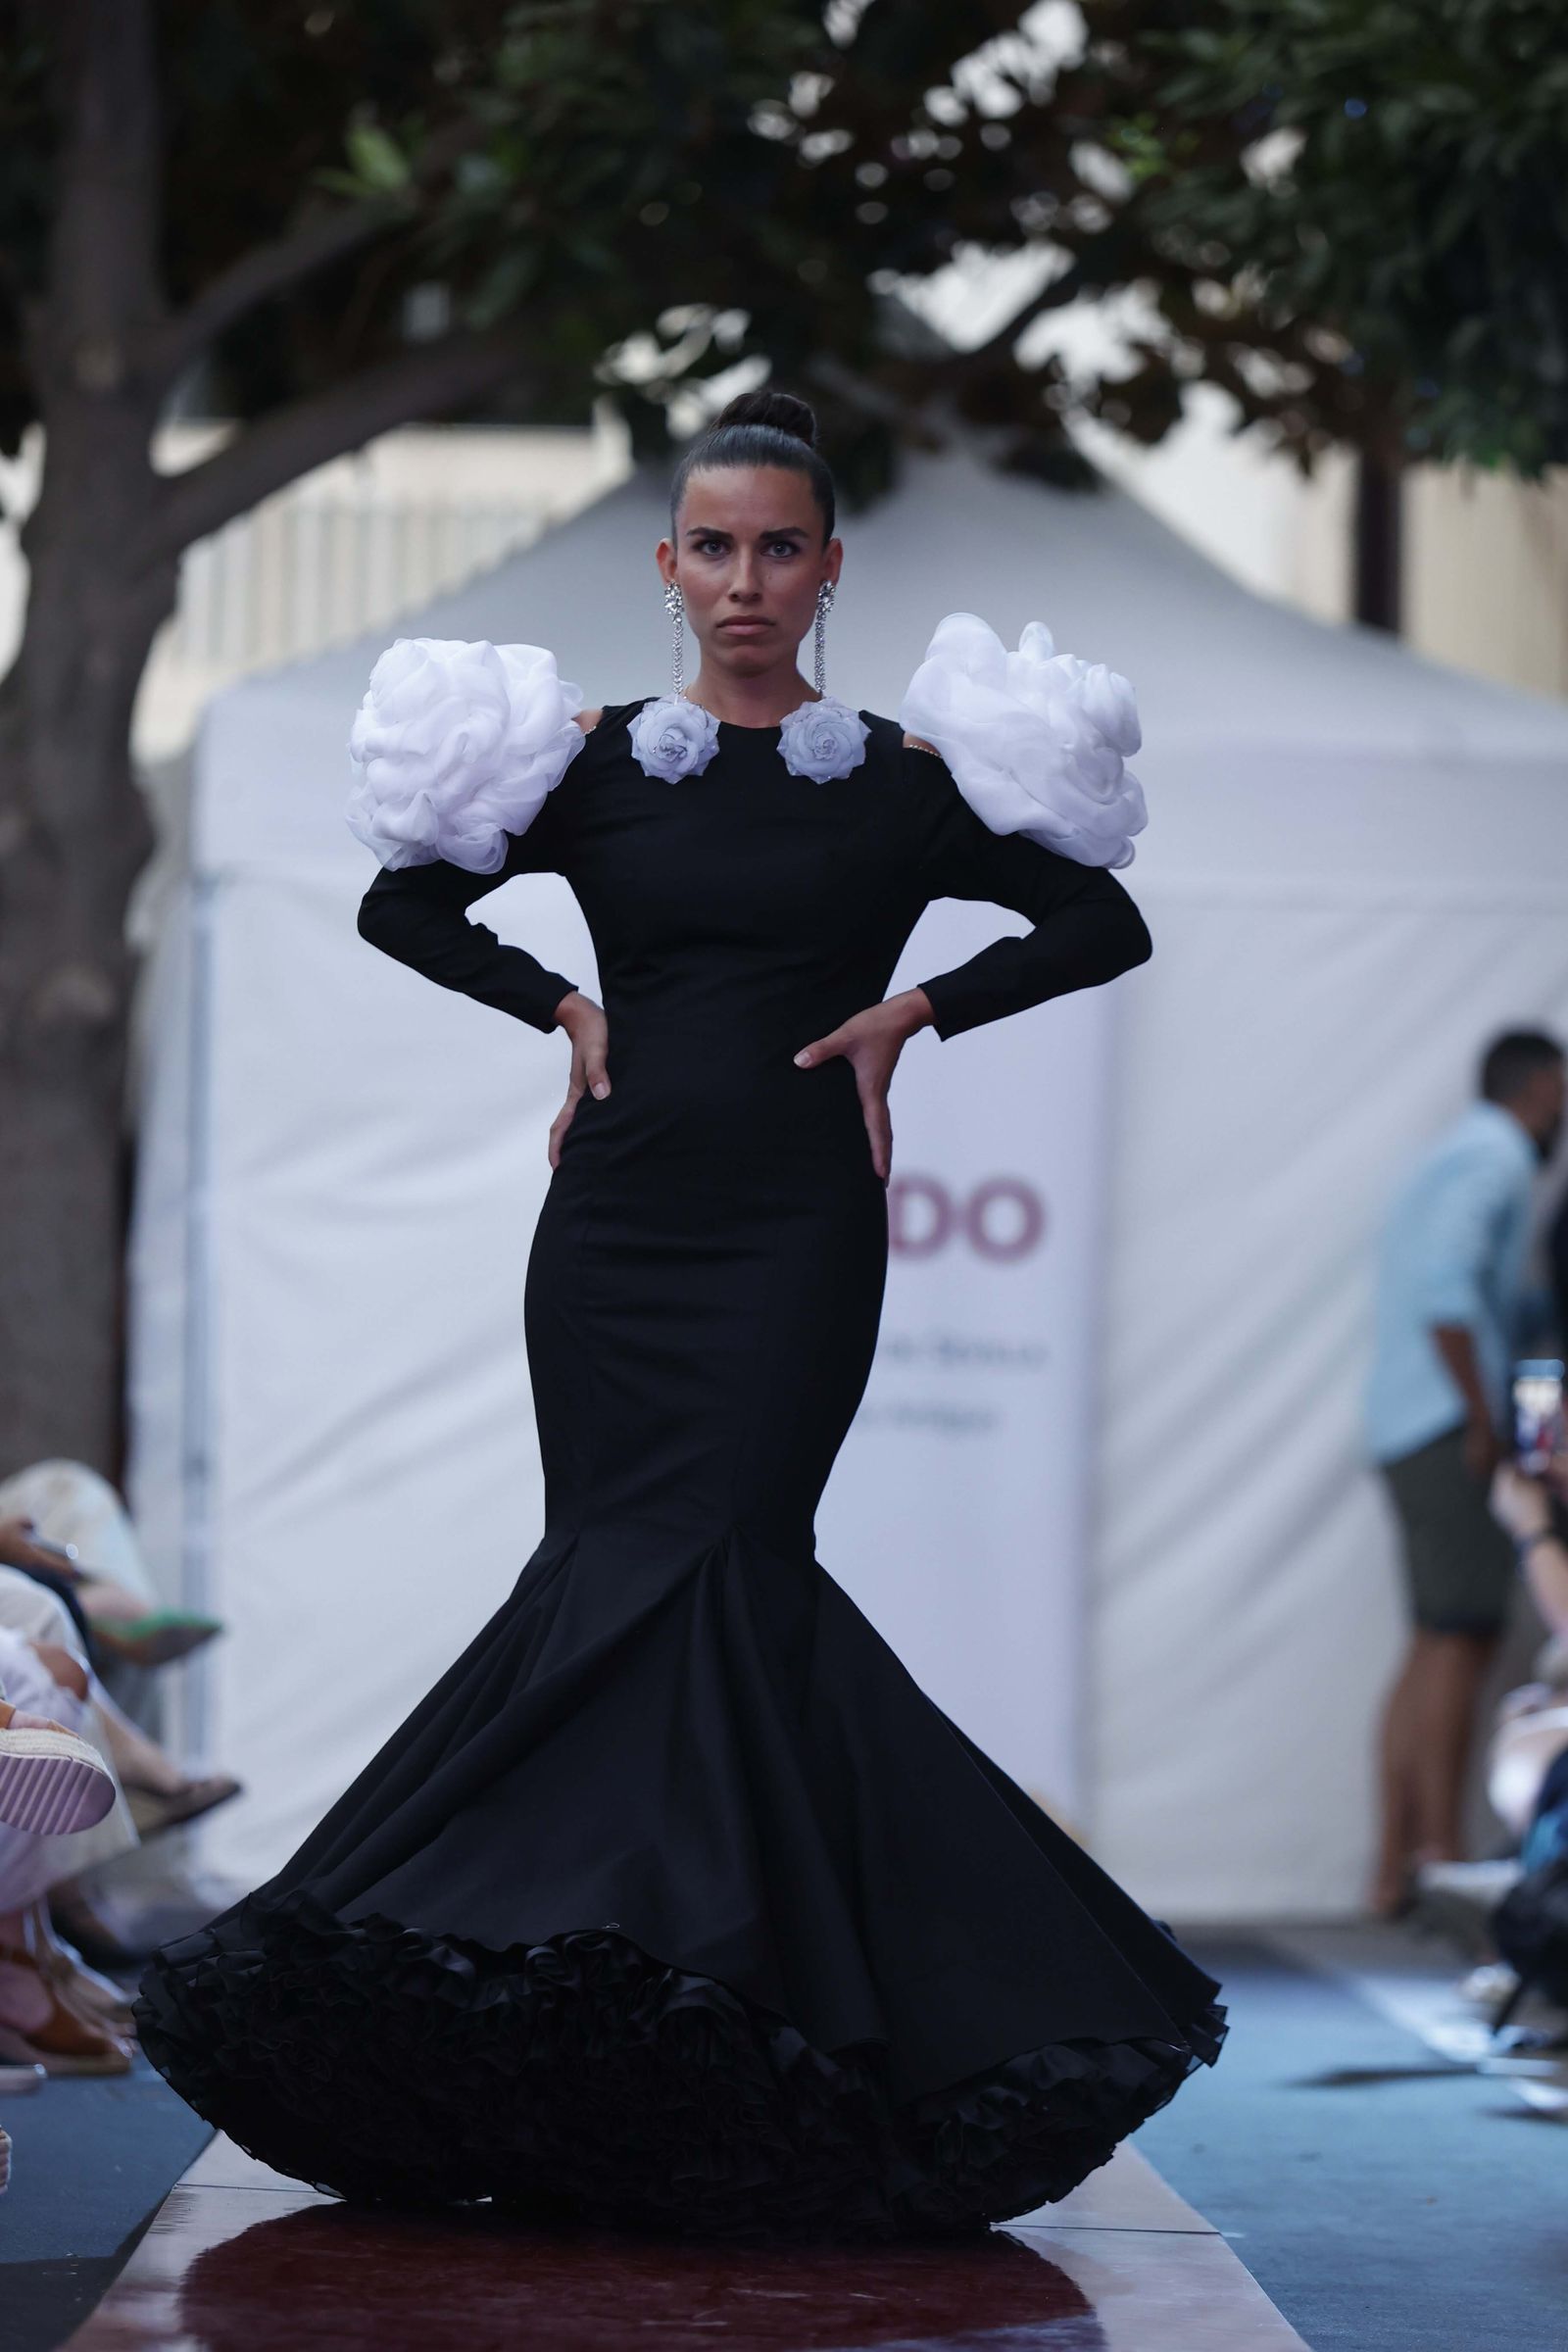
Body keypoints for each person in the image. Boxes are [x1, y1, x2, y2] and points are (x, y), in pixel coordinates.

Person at [136, 389, 1224, 2240]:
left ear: (828, 568)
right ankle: (611, 2002)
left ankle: (754, 2011)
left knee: (733, 1575)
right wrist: (560, 1007)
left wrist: (915, 1014)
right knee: (611, 1578)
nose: (745, 581)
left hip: (797, 1235)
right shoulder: (584, 764)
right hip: (617, 1240)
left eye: (779, 549)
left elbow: (1102, 924)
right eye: (713, 547)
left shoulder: (904, 782)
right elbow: (402, 906)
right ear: (668, 564)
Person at [1365, 1030, 1565, 1916]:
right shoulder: (1497, 1159)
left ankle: (1393, 1870)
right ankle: (1442, 1861)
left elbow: (1471, 1294)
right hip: (1449, 1425)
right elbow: (1448, 1298)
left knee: (1431, 1637)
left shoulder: (1449, 1155)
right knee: (1464, 1634)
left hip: (1404, 1420)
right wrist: (1485, 1423)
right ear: (1543, 1085)